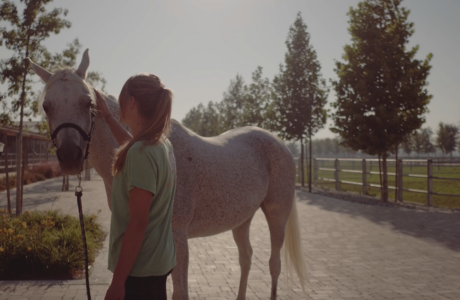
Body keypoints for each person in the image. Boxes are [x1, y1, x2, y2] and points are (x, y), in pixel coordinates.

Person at [95, 73, 176, 300]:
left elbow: (138, 222)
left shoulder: (141, 154)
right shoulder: (161, 144)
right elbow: (131, 144)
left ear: (131, 102)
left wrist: (117, 283)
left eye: (121, 99)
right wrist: (108, 117)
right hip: (159, 260)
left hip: (139, 270)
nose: (119, 104)